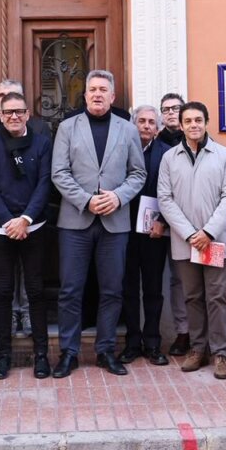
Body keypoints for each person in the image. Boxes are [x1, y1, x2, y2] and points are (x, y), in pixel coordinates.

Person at [50, 70, 147, 378]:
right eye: (92, 89)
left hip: (115, 222)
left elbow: (138, 174)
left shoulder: (128, 129)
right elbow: (59, 173)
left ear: (112, 96)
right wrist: (86, 200)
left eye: (103, 89)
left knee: (112, 290)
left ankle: (105, 351)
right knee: (70, 290)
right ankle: (69, 352)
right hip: (75, 221)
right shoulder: (67, 127)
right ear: (85, 94)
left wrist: (118, 198)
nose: (97, 94)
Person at [157, 101, 226, 379]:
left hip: (214, 240)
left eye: (198, 120)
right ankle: (197, 349)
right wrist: (190, 233)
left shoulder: (224, 155)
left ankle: (221, 353)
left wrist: (208, 232)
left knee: (217, 297)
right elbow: (165, 199)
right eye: (188, 121)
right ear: (180, 126)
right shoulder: (169, 158)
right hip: (185, 241)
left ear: (206, 122)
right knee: (192, 296)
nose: (193, 125)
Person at [0, 91, 53, 379]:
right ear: (0, 115)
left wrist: (25, 219)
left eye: (19, 111)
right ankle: (3, 356)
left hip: (33, 227)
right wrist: (9, 220)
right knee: (3, 292)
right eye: (8, 112)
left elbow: (45, 183)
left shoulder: (42, 143)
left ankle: (42, 355)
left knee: (35, 290)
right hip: (1, 228)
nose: (13, 116)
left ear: (27, 114)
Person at [120, 104, 172, 366]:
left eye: (152, 122)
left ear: (159, 127)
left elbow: (174, 192)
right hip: (123, 230)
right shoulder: (120, 149)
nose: (147, 126)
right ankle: (131, 343)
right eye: (141, 120)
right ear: (132, 123)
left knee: (153, 289)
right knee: (128, 289)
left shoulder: (167, 154)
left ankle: (152, 343)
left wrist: (162, 221)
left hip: (155, 232)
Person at [158, 92, 191, 356]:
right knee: (178, 280)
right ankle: (184, 332)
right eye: (166, 109)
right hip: (168, 224)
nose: (170, 113)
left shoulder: (201, 142)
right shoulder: (156, 145)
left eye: (175, 108)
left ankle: (206, 333)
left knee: (207, 282)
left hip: (202, 225)